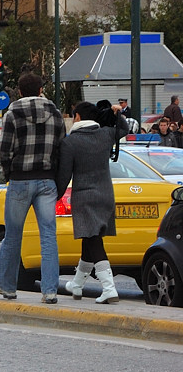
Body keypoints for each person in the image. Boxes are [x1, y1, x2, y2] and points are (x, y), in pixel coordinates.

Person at [0, 73, 65, 303]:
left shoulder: (12, 114)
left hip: (20, 179)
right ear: (41, 90)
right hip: (46, 180)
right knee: (48, 236)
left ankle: (7, 287)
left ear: (20, 91)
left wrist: (8, 174)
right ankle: (50, 290)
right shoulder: (55, 114)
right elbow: (62, 149)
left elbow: (4, 150)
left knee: (13, 235)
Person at [57, 101, 128, 304]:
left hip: (84, 197)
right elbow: (123, 128)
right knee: (90, 240)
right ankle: (77, 285)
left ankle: (109, 287)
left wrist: (54, 195)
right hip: (106, 193)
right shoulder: (105, 135)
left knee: (94, 239)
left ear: (77, 116)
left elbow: (64, 176)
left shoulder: (70, 143)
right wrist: (117, 113)